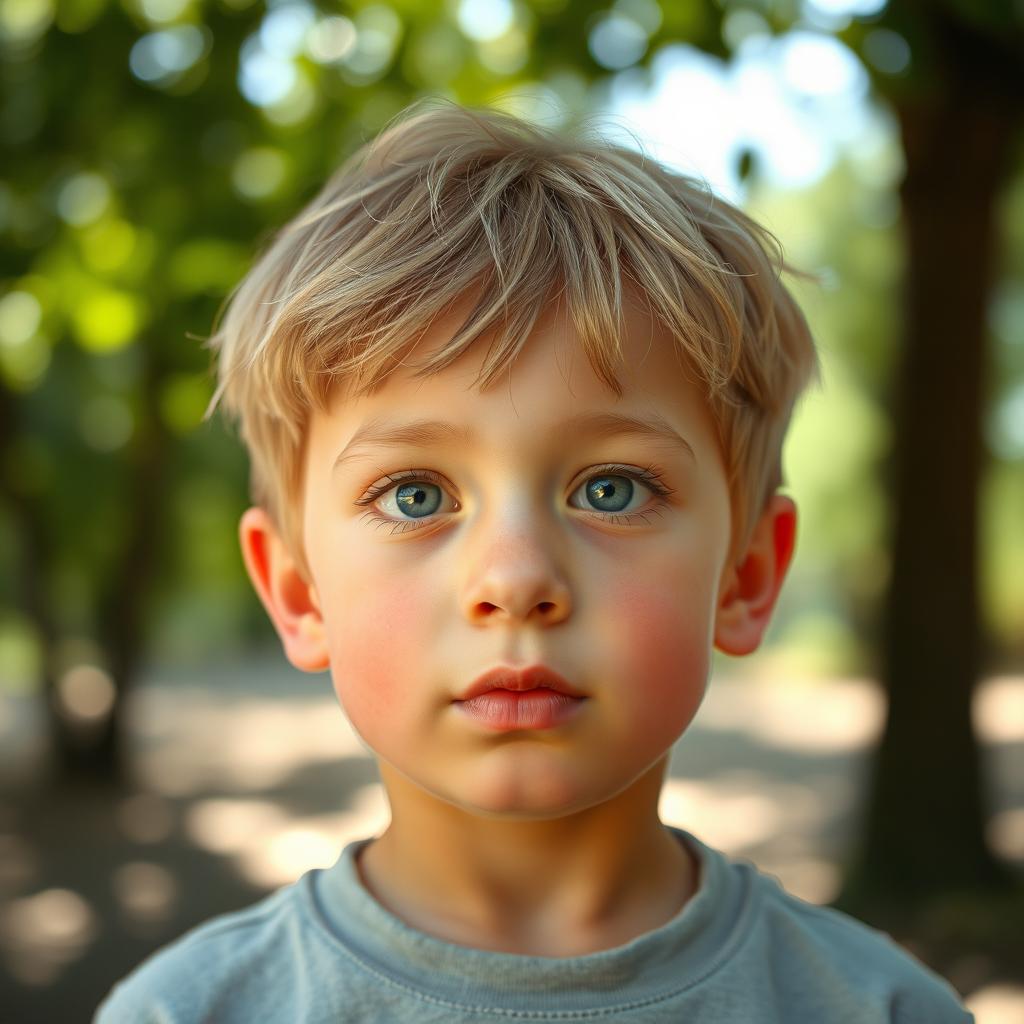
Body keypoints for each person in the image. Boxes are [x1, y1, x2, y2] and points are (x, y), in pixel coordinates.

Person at [95, 102, 973, 1022]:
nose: (516, 580)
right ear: (298, 590)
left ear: (745, 577)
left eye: (612, 490)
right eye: (415, 495)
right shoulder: (185, 1013)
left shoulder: (882, 1009)